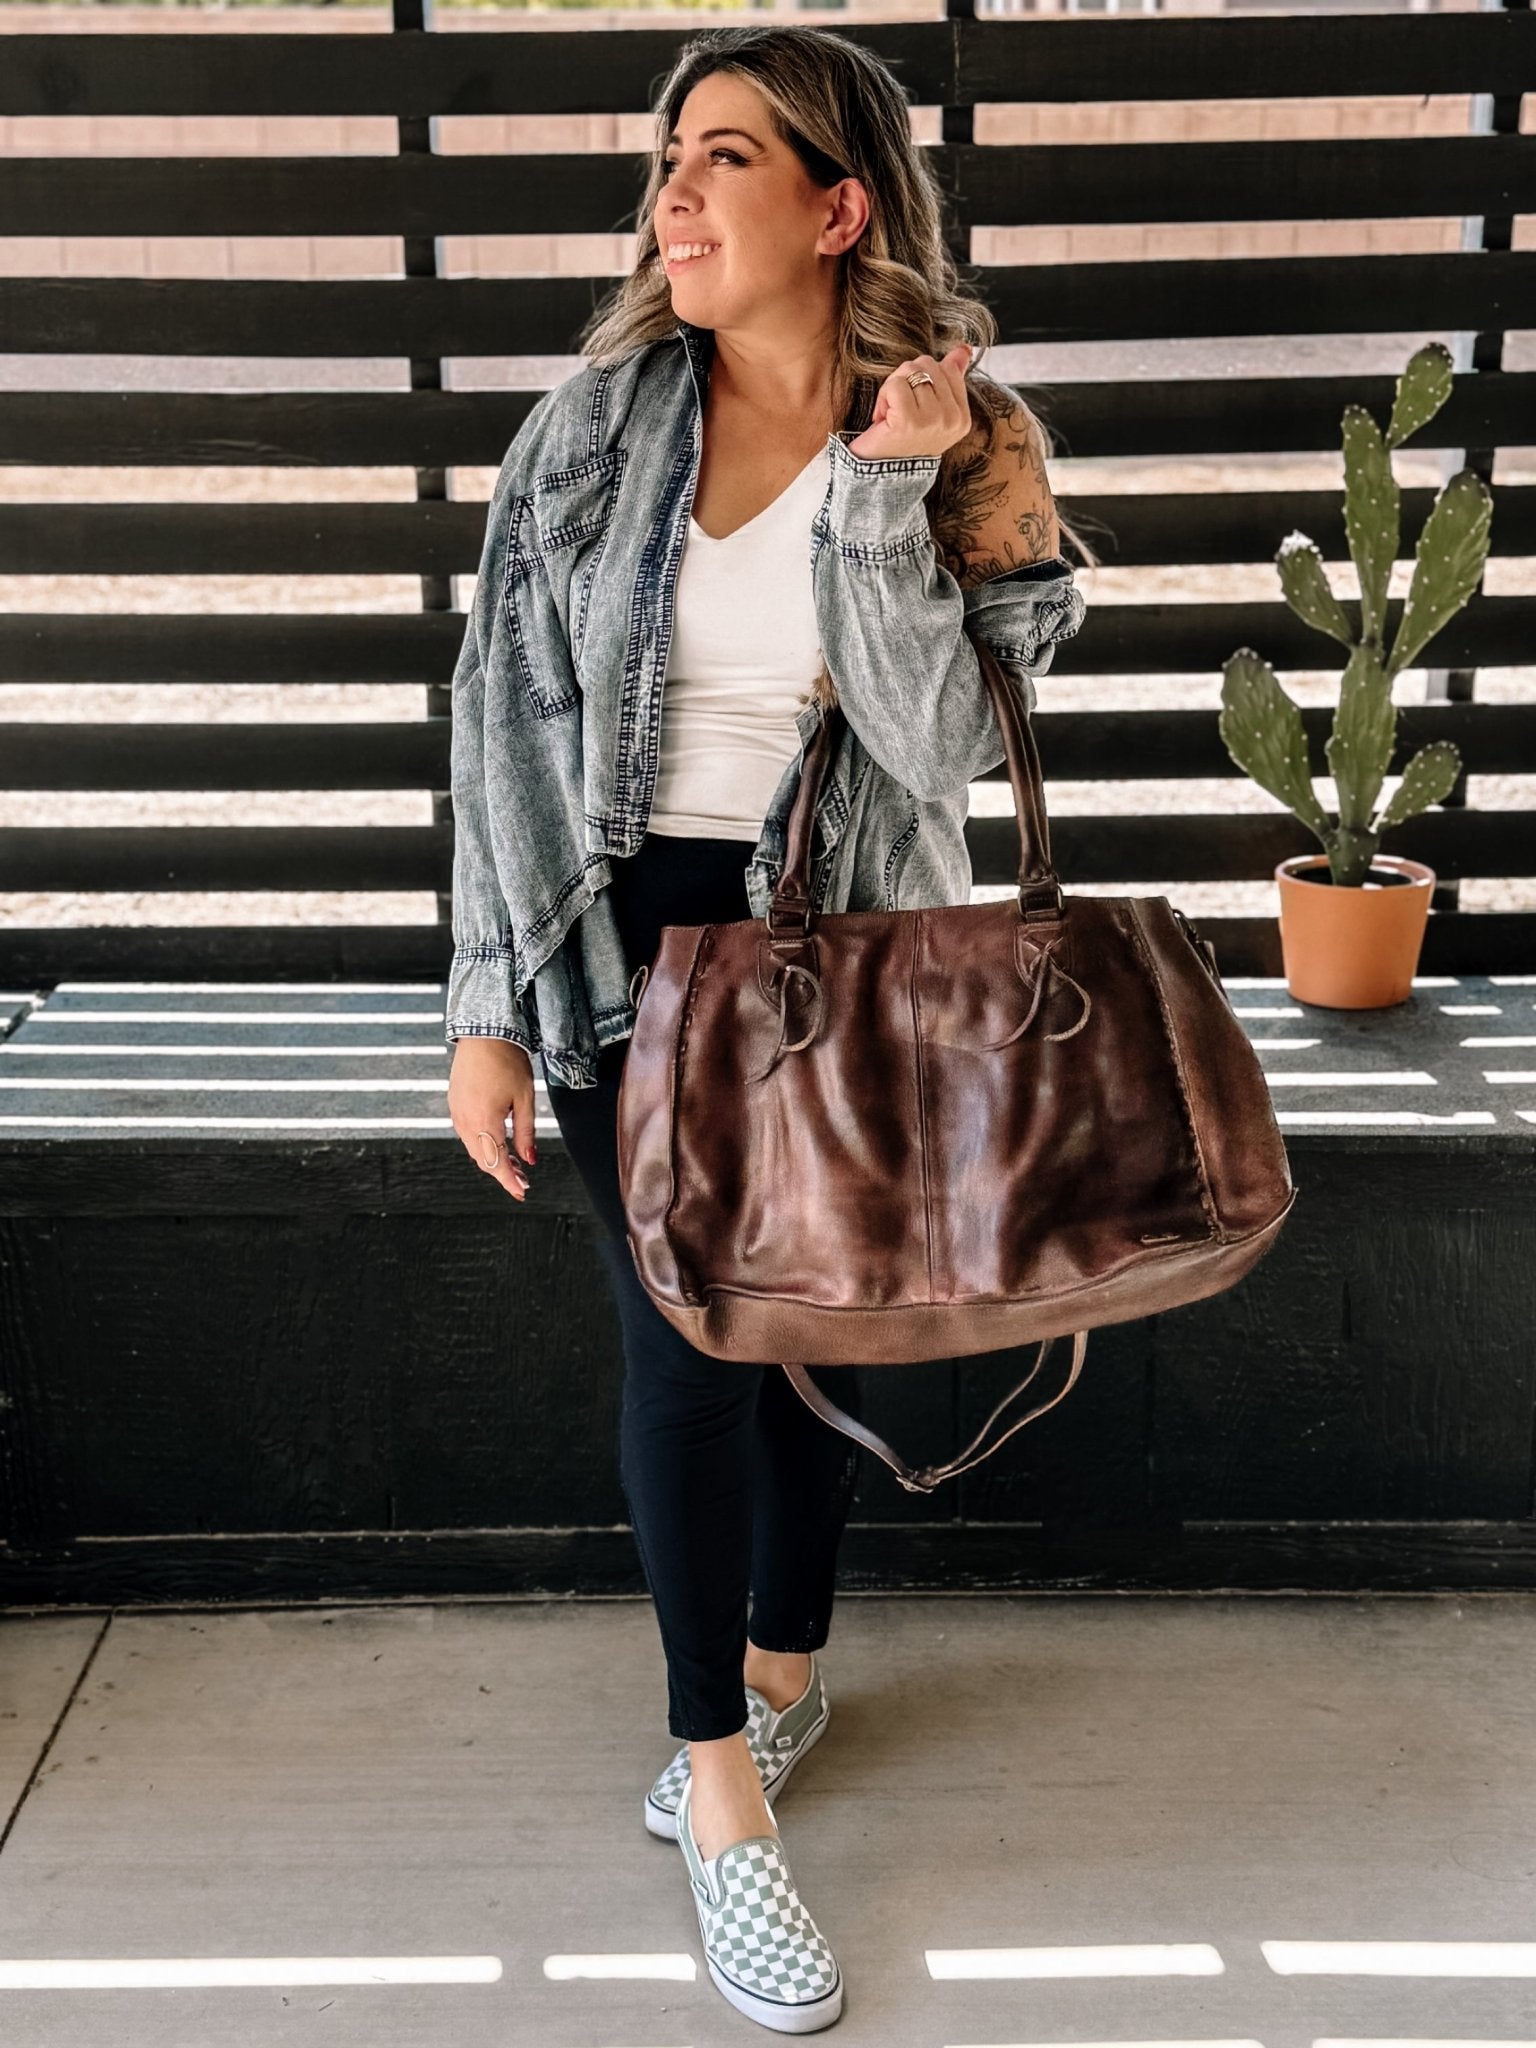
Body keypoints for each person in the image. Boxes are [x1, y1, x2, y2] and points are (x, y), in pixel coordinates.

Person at [444, 23, 1088, 2033]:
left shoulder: (966, 441)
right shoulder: (589, 428)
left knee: (816, 1341)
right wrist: (484, 1006)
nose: (674, 192)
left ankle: (789, 1669)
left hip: (845, 948)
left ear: (837, 205)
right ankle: (722, 1787)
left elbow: (928, 738)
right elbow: (494, 719)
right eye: (668, 157)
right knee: (691, 1346)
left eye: (723, 156)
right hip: (616, 953)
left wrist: (886, 492)